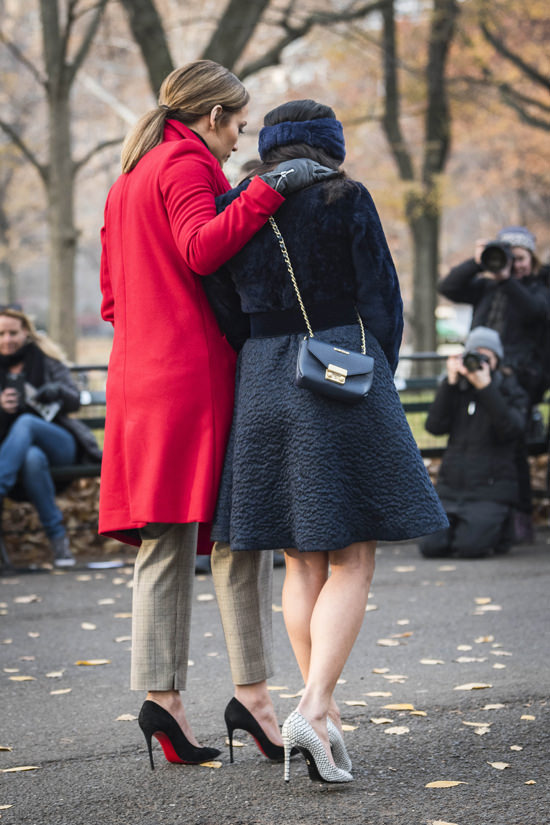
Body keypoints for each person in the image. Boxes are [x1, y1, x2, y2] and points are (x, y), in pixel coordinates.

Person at [98, 60, 335, 770]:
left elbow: (112, 300)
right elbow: (203, 248)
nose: (239, 140)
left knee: (164, 545)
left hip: (139, 376)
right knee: (239, 533)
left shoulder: (127, 179)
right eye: (236, 123)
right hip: (195, 372)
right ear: (211, 117)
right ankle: (255, 698)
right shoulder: (184, 163)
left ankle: (163, 701)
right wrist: (266, 190)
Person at [208, 99, 448, 783]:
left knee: (301, 557)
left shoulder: (237, 201)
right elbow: (383, 295)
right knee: (353, 555)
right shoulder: (346, 196)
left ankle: (325, 713)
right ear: (330, 146)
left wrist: (260, 353)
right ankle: (314, 707)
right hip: (340, 364)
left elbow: (223, 301)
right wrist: (381, 369)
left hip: (262, 373)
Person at [438, 227, 550, 540]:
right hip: (478, 373)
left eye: (521, 259)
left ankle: (519, 519)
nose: (514, 265)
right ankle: (485, 515)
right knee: (481, 440)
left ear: (532, 259)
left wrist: (507, 279)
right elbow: (449, 286)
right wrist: (477, 262)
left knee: (515, 446)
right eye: (508, 258)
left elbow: (536, 311)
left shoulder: (538, 287)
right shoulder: (485, 287)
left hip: (520, 379)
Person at [0, 306, 102, 568]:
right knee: (33, 458)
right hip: (18, 455)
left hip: (61, 444)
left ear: (26, 332)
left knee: (27, 423)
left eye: (13, 332)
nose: (7, 339)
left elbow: (75, 400)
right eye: (1, 334)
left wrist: (56, 390)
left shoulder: (45, 360)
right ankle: (59, 543)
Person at [418, 327, 528, 560]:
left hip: (490, 489)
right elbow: (434, 427)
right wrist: (449, 382)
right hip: (452, 487)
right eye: (473, 355)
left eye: (486, 357)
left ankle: (502, 526)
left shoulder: (510, 390)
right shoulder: (457, 389)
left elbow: (511, 430)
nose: (478, 363)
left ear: (497, 361)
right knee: (431, 547)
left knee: (470, 548)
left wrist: (487, 389)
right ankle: (472, 527)